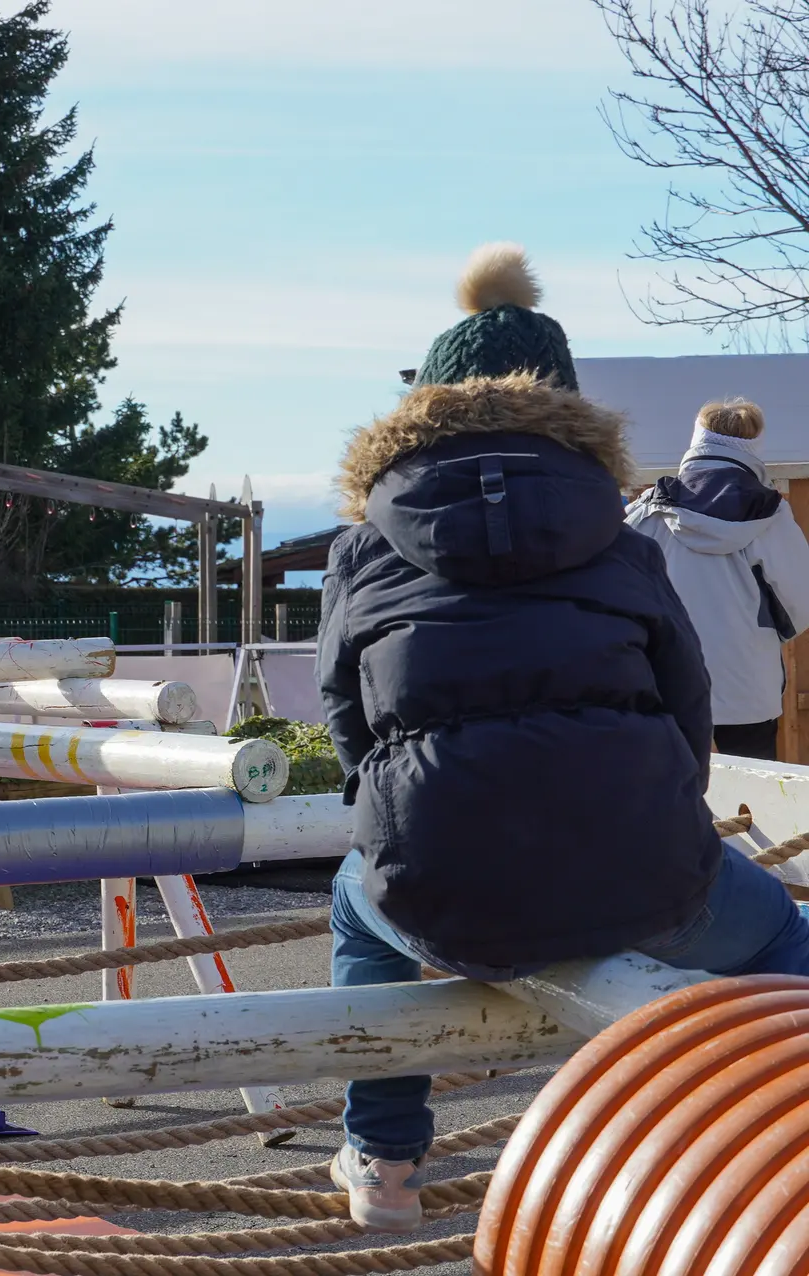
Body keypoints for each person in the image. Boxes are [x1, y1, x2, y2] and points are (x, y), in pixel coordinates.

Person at [316, 242, 809, 1233]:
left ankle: (385, 1159)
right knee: (782, 937)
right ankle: (770, 1151)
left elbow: (348, 728)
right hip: (646, 874)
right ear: (571, 412)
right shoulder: (622, 540)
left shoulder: (363, 548)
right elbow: (688, 713)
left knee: (353, 904)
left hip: (442, 888)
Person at [625, 398, 809, 761]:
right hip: (747, 685)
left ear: (697, 440)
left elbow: (618, 588)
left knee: (670, 787)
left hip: (664, 682)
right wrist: (761, 634)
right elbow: (799, 602)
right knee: (754, 788)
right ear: (753, 447)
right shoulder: (770, 513)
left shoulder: (648, 509)